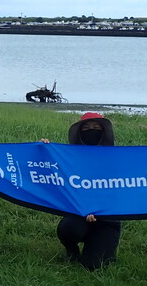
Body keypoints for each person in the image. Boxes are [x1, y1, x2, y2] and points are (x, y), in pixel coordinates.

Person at [43, 112, 122, 271]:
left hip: (108, 218)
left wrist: (99, 210)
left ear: (103, 131)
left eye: (96, 127)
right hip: (79, 213)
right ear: (79, 133)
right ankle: (71, 249)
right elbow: (51, 171)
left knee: (94, 266)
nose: (91, 130)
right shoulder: (70, 157)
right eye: (86, 128)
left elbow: (123, 190)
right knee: (68, 229)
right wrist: (44, 149)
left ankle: (103, 247)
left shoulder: (117, 157)